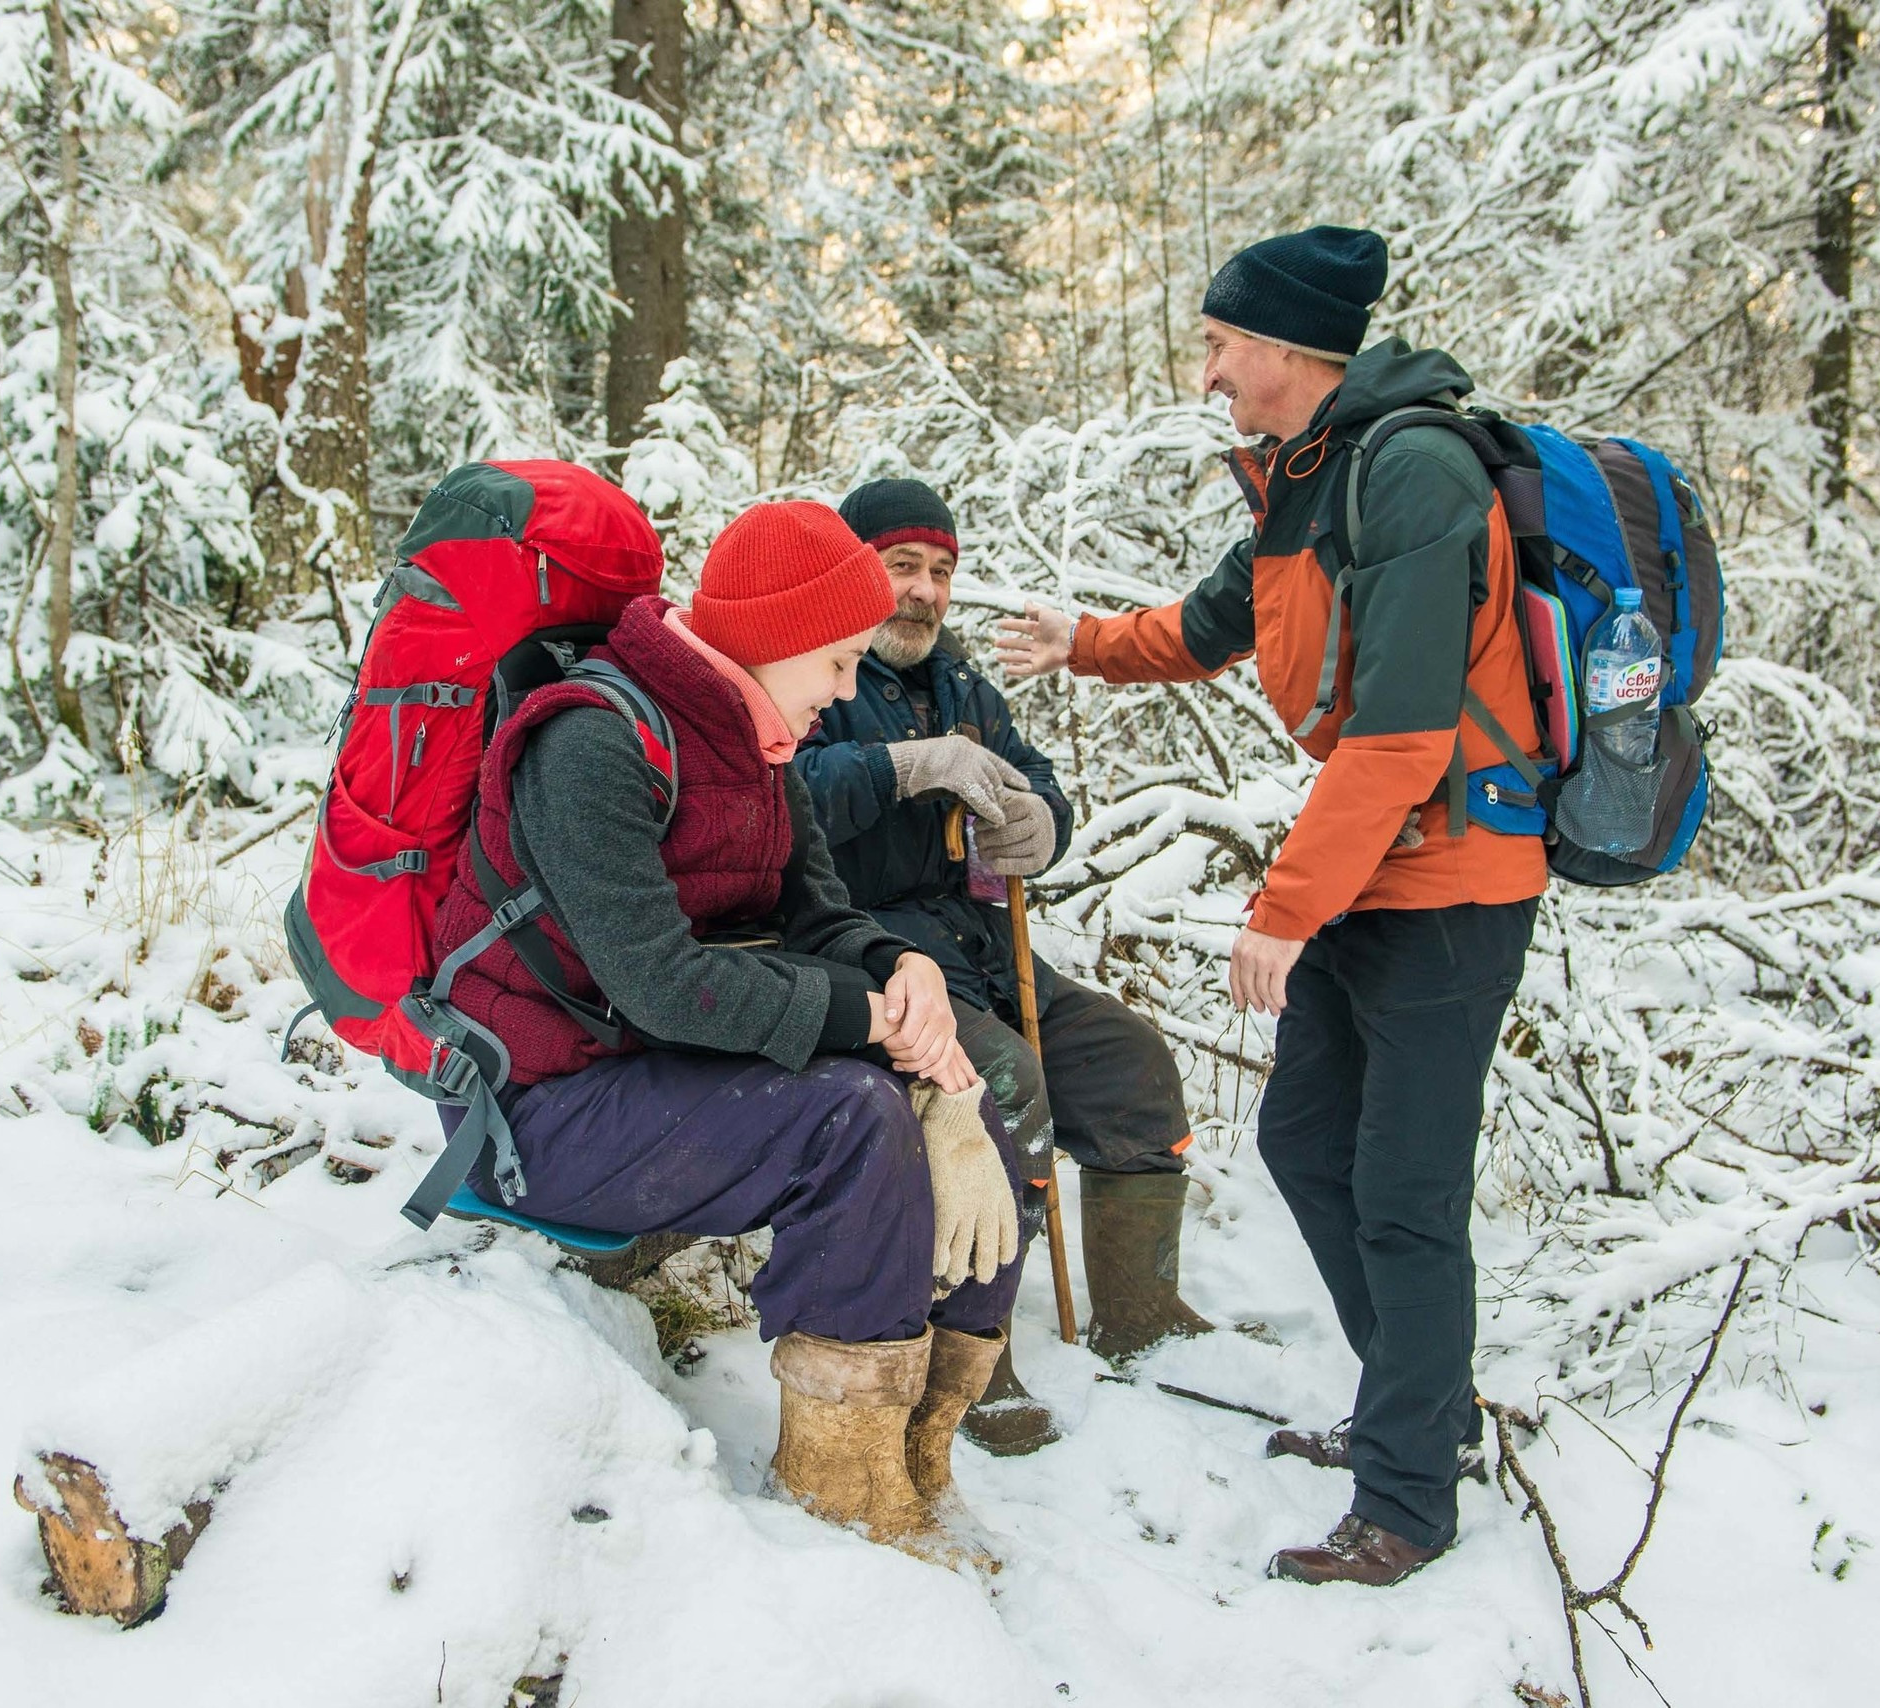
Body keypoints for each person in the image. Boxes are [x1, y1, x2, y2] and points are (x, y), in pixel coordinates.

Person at [994, 226, 1545, 1586]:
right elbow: (1212, 621)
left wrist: (1283, 910)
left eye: (1223, 343)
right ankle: (1424, 1406)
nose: (1209, 371)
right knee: (1308, 1143)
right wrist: (1087, 645)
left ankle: (1411, 1497)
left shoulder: (1411, 472)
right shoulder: (1313, 476)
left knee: (1408, 1195)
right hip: (1378, 870)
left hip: (1453, 882)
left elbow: (1406, 733)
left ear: (1294, 349)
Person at [431, 499, 1032, 1561]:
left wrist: (905, 971)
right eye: (839, 662)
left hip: (656, 1073)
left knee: (974, 1086)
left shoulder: (760, 741)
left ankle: (918, 1461)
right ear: (775, 636)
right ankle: (841, 1485)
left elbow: (820, 915)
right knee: (852, 1116)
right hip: (543, 1109)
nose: (847, 691)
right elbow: (660, 983)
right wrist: (870, 1027)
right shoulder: (589, 743)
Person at [793, 478, 1216, 1455]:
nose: (927, 591)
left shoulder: (962, 685)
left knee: (1133, 1064)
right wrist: (903, 767)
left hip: (978, 945)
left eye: (941, 570)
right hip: (861, 953)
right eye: (902, 566)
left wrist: (1040, 823)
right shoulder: (815, 668)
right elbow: (778, 796)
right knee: (999, 1090)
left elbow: (1036, 785)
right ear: (853, 568)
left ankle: (1139, 1314)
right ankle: (971, 1353)